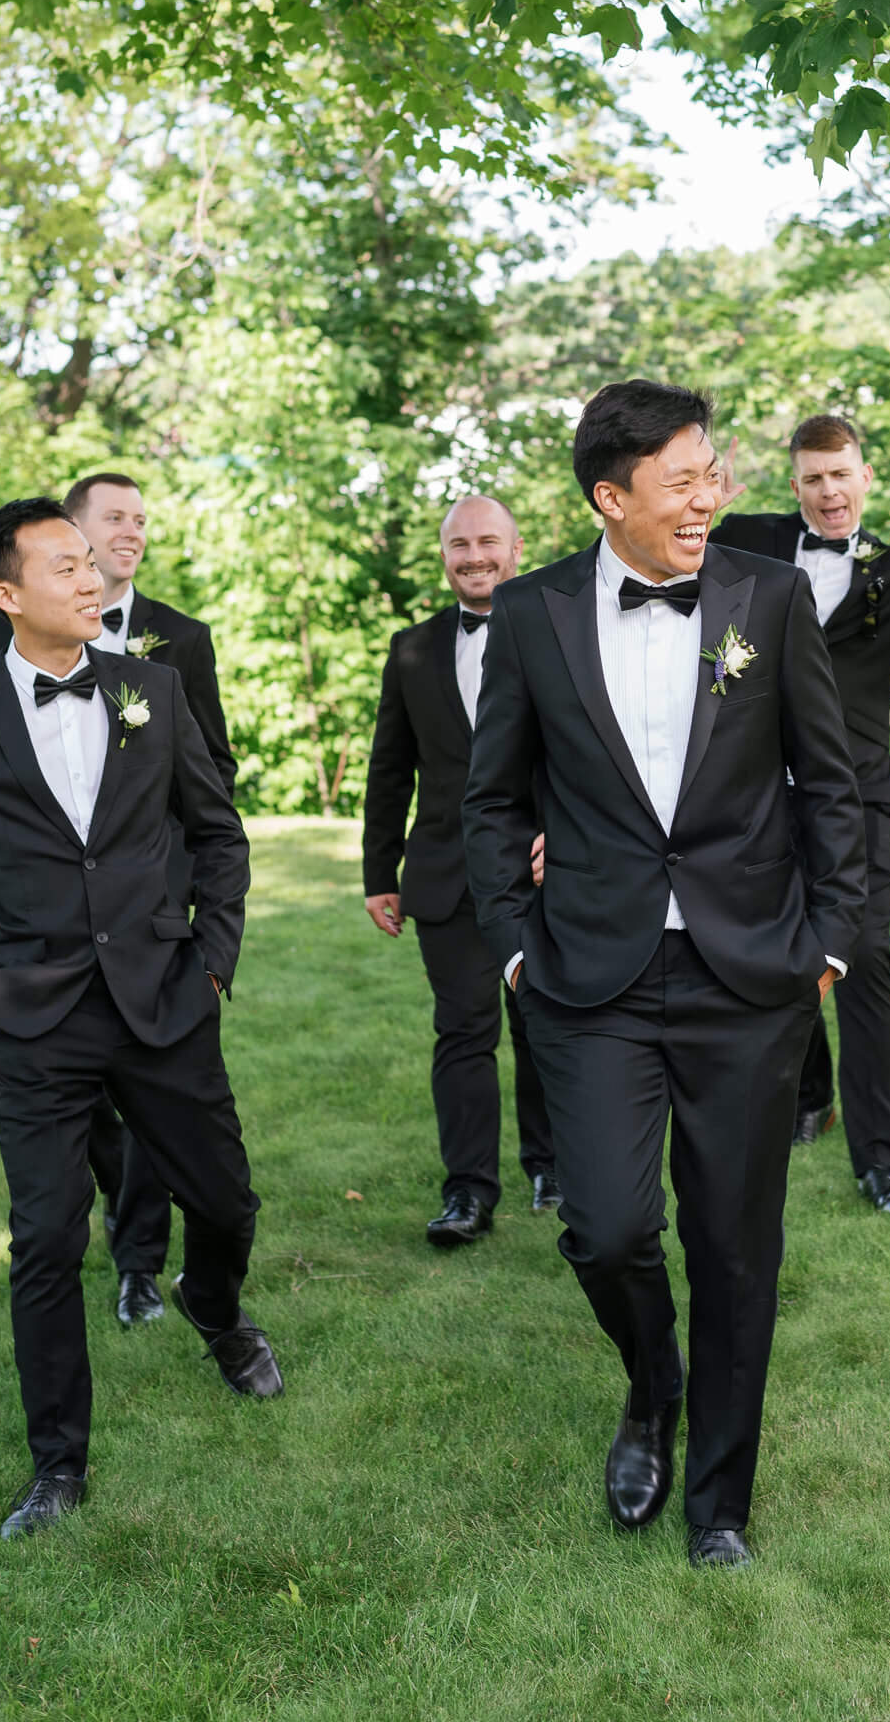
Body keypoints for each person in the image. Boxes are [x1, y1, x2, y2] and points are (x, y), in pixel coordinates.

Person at [463, 380, 865, 1567]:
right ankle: (651, 1383)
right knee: (605, 1226)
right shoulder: (532, 615)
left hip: (752, 970)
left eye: (713, 473)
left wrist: (830, 936)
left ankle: (720, 1504)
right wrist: (517, 945)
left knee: (738, 1248)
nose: (712, 497)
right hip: (588, 973)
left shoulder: (768, 596)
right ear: (611, 496)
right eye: (685, 479)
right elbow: (490, 800)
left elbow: (827, 780)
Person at [0, 499, 280, 1541]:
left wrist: (213, 960)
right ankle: (58, 1465)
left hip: (166, 999)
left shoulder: (150, 687)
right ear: (7, 594)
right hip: (34, 1017)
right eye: (63, 563)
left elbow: (219, 831)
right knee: (46, 1240)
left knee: (228, 1202)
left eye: (88, 559)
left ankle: (215, 1305)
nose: (89, 574)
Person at [711, 415, 890, 1216]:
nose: (828, 492)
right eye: (812, 478)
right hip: (760, 795)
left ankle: (879, 1163)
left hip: (861, 796)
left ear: (865, 477)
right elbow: (673, 582)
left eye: (840, 475)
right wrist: (703, 509)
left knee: (866, 959)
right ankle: (808, 1093)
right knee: (775, 955)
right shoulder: (747, 540)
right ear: (795, 484)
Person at [0, 472, 237, 1332]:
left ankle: (150, 1271)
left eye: (133, 524)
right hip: (47, 963)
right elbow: (11, 769)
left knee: (191, 1150)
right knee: (92, 1137)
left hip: (159, 931)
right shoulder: (2, 644)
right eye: (105, 526)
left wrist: (207, 946)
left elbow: (213, 786)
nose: (120, 542)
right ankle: (125, 1264)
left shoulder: (175, 647)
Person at [362, 494, 557, 1247]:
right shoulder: (412, 648)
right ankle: (469, 1193)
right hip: (446, 873)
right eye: (458, 545)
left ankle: (554, 1165)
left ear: (515, 547)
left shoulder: (558, 626)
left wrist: (571, 838)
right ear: (443, 555)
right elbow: (390, 767)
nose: (474, 556)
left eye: (488, 542)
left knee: (545, 1022)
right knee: (463, 1032)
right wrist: (381, 870)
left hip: (545, 870)